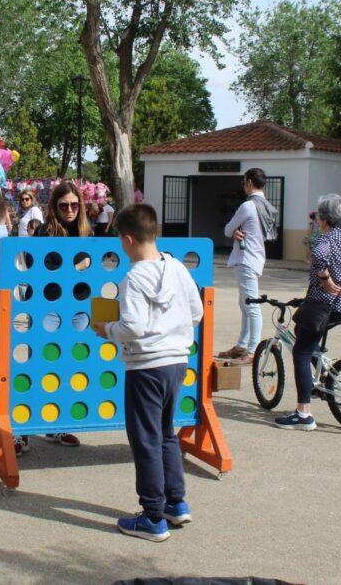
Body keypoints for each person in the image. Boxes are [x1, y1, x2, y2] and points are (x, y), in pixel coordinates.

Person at [91, 203, 202, 541]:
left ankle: (153, 516)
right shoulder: (178, 268)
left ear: (127, 239)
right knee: (166, 433)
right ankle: (176, 503)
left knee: (146, 441)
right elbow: (196, 312)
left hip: (145, 367)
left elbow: (133, 327)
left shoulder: (133, 278)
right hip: (176, 362)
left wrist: (106, 328)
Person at [275, 194, 341, 431]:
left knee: (301, 354)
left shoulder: (327, 238)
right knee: (302, 332)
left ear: (323, 218)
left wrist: (324, 278)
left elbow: (320, 256)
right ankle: (323, 367)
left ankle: (304, 414)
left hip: (324, 304)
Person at [23, 181, 92, 453]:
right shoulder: (44, 232)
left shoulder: (88, 232)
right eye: (64, 205)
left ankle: (58, 424)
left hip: (78, 307)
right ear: (54, 206)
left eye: (75, 205)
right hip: (49, 306)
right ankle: (22, 428)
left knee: (69, 367)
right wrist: (75, 266)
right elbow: (36, 266)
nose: (70, 210)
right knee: (40, 364)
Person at [220, 168, 275, 366]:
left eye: (244, 182)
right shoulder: (267, 207)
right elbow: (268, 235)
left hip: (245, 259)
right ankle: (242, 345)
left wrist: (234, 230)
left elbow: (227, 229)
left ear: (250, 182)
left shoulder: (248, 206)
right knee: (245, 304)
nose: (243, 186)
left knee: (251, 307)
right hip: (257, 258)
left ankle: (252, 351)